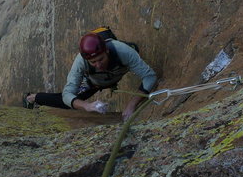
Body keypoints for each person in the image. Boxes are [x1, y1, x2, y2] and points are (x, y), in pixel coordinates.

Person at [24, 31, 158, 121]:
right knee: (68, 102)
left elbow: (150, 76)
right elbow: (67, 95)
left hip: (114, 70)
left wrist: (131, 104)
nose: (98, 64)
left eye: (101, 59)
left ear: (106, 51)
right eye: (93, 62)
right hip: (93, 82)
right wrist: (86, 106)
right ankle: (32, 98)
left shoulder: (122, 51)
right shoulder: (80, 62)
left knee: (133, 50)